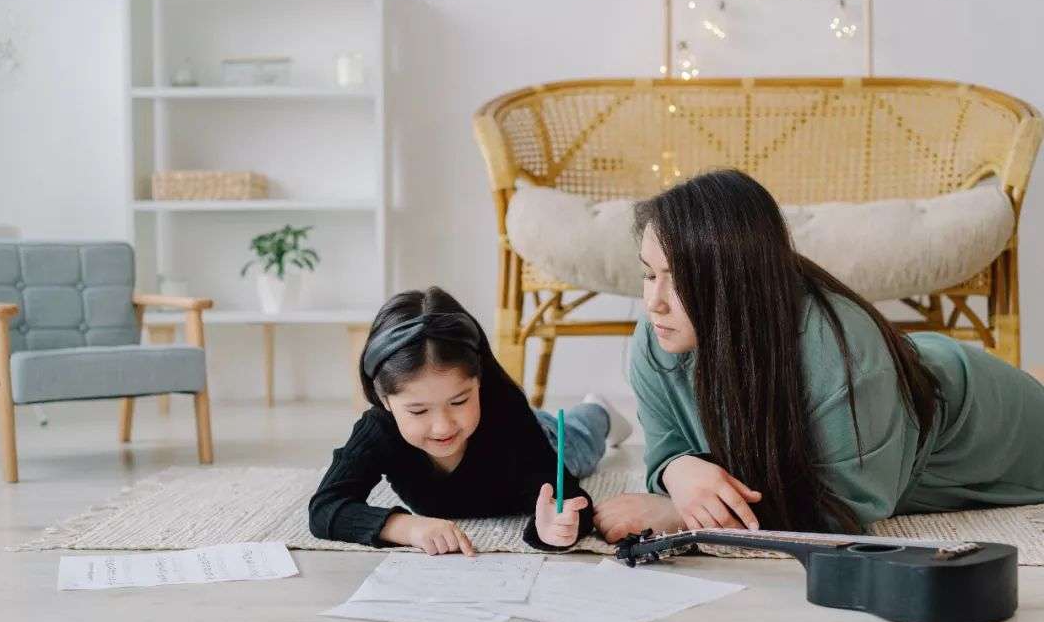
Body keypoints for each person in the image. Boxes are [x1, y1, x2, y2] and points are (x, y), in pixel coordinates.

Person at [594, 169, 1044, 543]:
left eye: (680, 280)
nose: (655, 301)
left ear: (736, 283)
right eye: (649, 274)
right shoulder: (658, 337)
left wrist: (681, 515)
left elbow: (847, 509)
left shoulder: (842, 357)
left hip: (982, 418)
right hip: (902, 375)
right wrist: (679, 470)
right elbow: (667, 449)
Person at [309, 286, 632, 554]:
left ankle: (597, 410)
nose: (443, 426)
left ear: (480, 381)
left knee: (577, 442)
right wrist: (407, 527)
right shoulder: (378, 428)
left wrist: (552, 528)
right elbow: (326, 508)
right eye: (419, 411)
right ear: (385, 401)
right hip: (497, 427)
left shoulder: (507, 414)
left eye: (459, 400)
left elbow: (572, 498)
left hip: (537, 437)